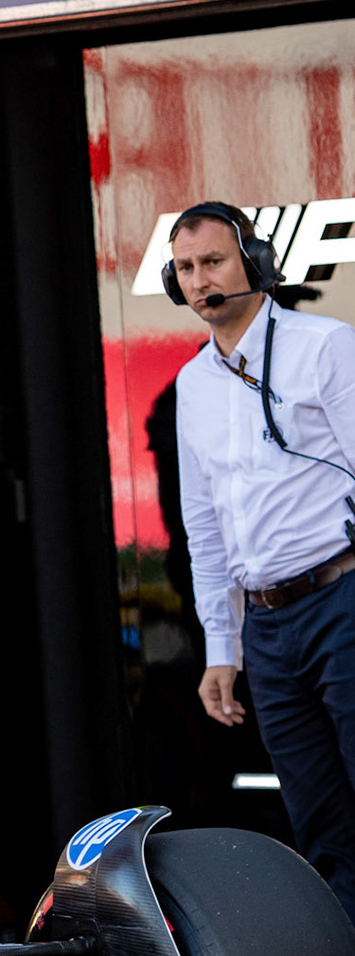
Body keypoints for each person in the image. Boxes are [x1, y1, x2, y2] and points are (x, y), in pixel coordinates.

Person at [170, 203, 355, 923]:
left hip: (342, 598)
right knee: (319, 821)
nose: (200, 281)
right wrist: (222, 649)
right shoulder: (192, 385)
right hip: (268, 631)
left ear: (254, 261)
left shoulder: (325, 347)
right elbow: (203, 527)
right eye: (186, 269)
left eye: (213, 262)